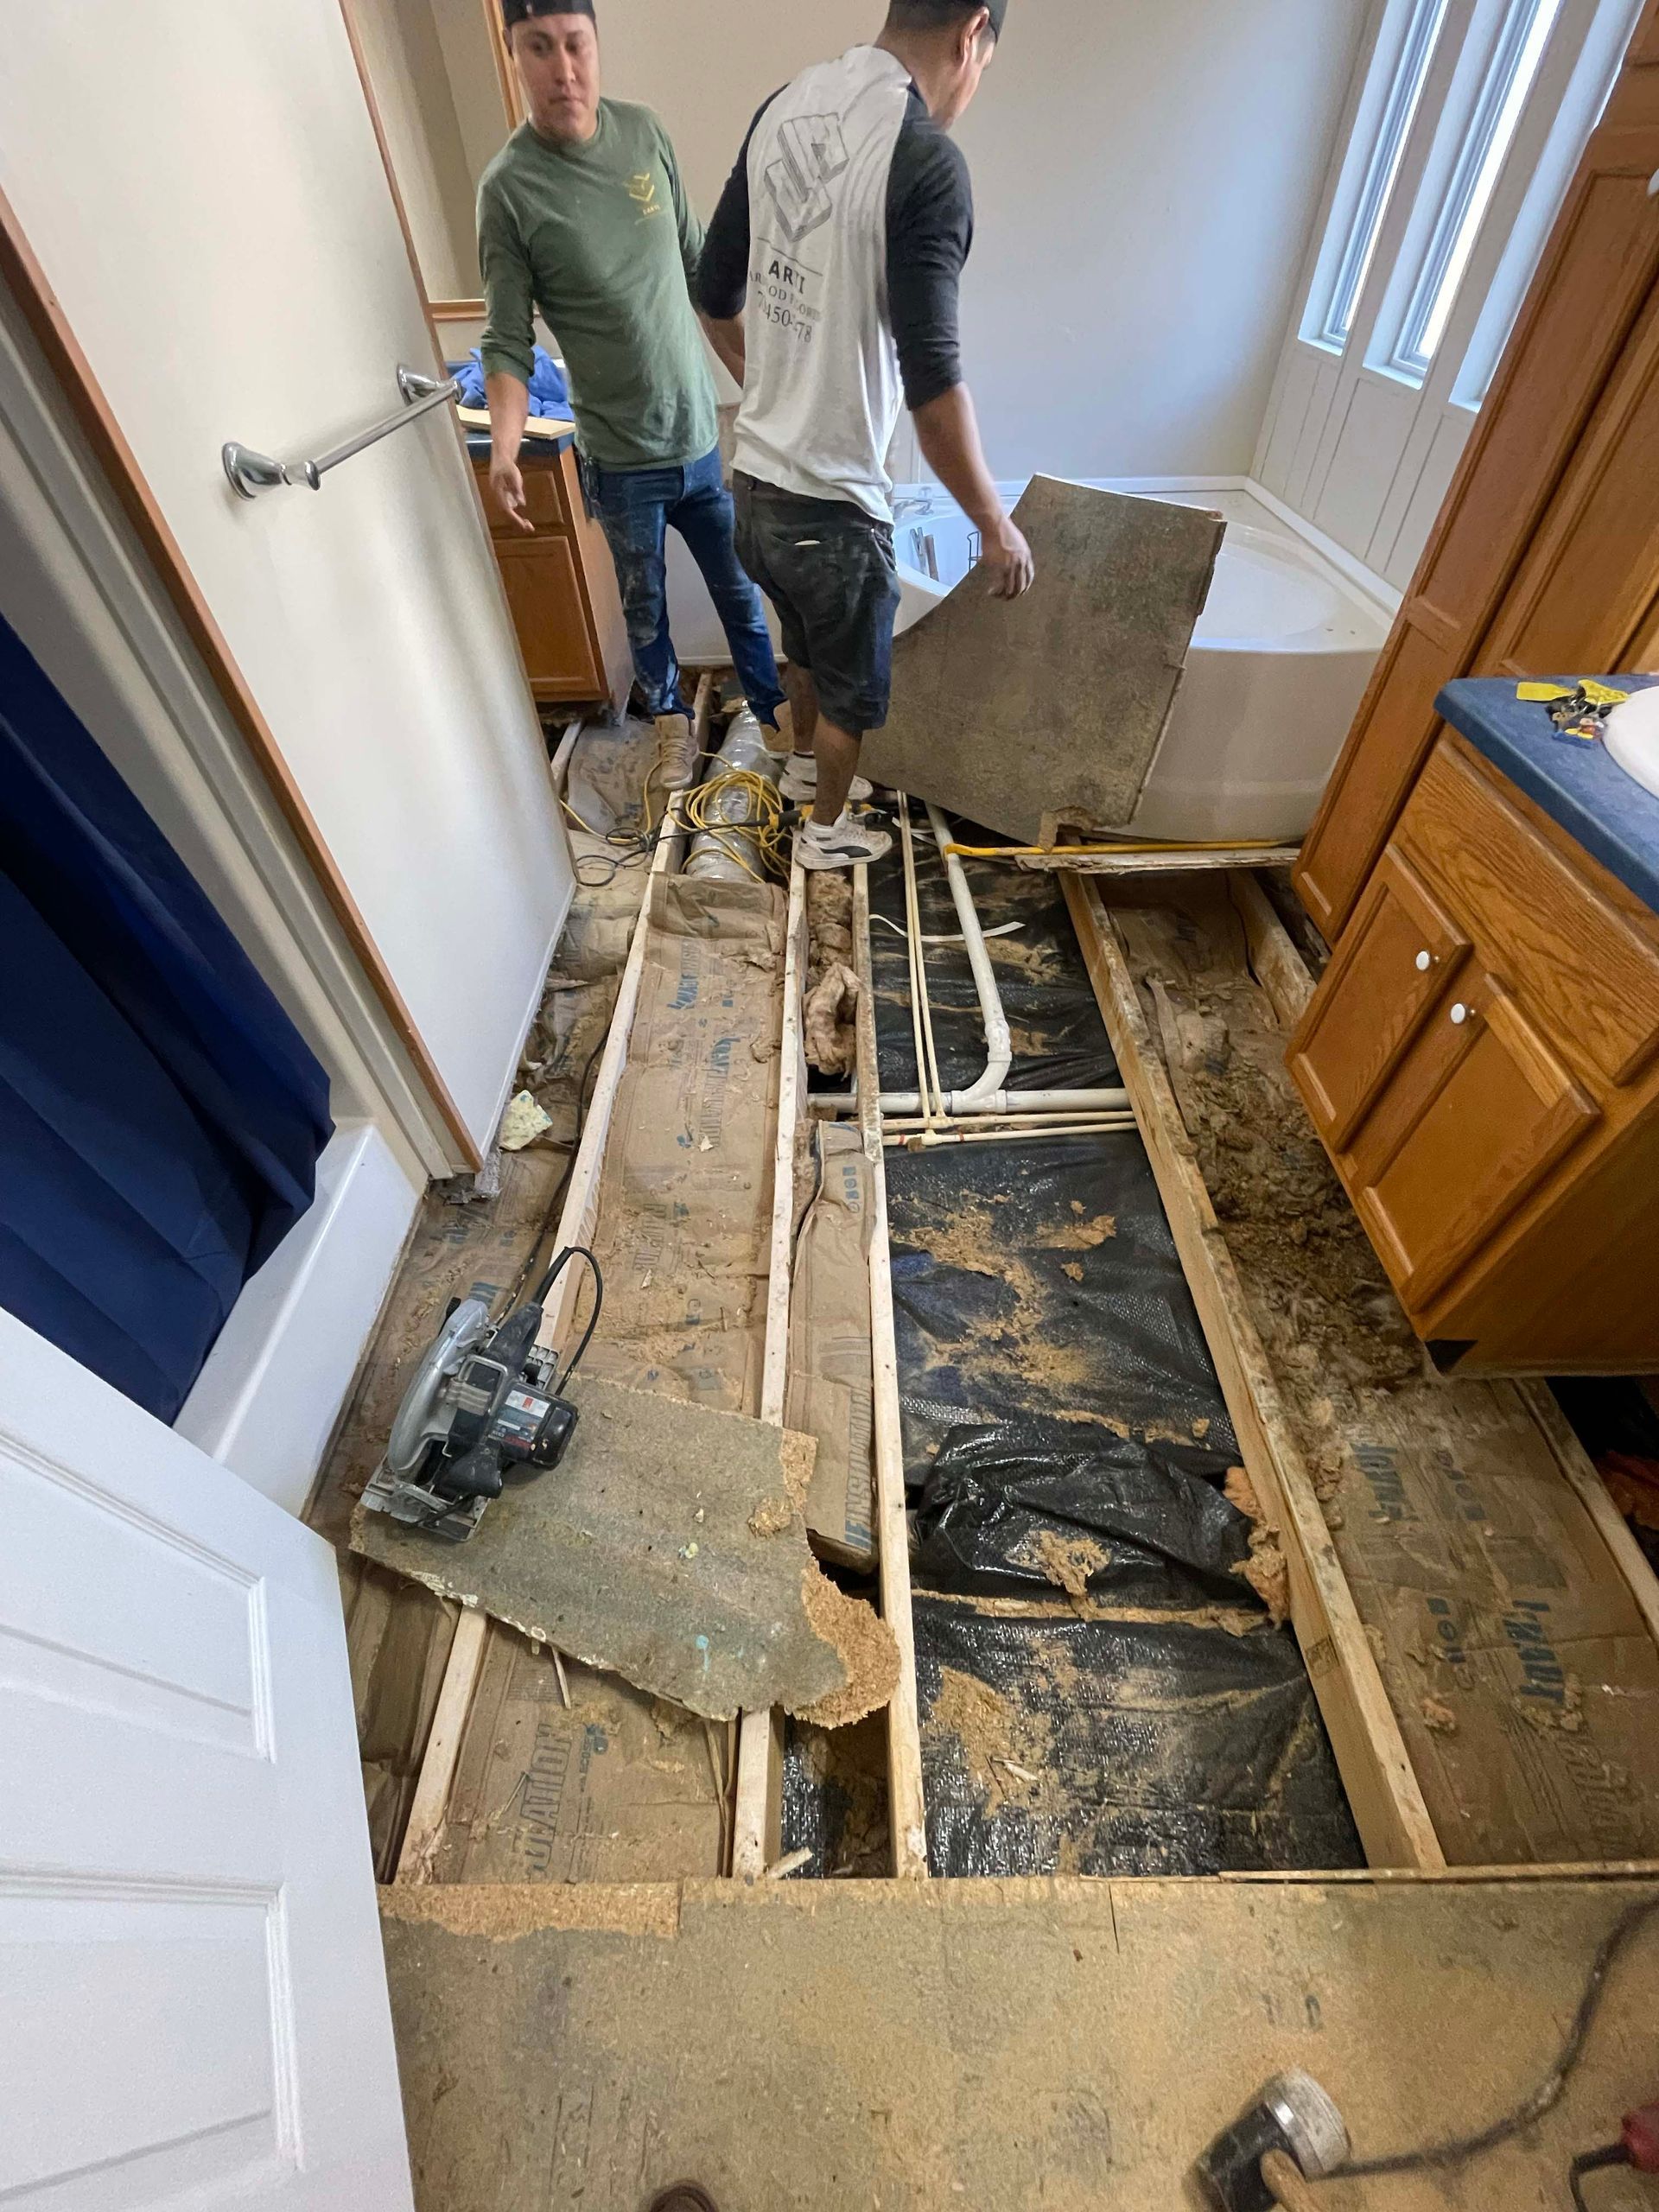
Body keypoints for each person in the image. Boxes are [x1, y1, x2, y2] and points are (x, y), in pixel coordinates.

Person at [696, 0, 1033, 871]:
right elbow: (934, 388)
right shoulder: (923, 159)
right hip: (834, 509)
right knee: (852, 690)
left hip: (755, 491)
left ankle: (804, 773)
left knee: (804, 645)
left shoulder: (784, 107)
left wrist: (775, 386)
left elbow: (712, 288)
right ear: (971, 35)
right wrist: (995, 525)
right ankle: (824, 834)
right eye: (984, 67)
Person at [478, 0, 787, 792]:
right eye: (539, 49)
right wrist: (505, 449)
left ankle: (775, 720)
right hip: (621, 463)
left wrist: (765, 387)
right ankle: (671, 730)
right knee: (645, 611)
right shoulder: (509, 190)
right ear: (514, 56)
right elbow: (506, 342)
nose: (562, 69)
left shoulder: (644, 134)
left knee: (741, 594)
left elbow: (703, 276)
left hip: (698, 438)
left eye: (575, 45)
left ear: (595, 46)